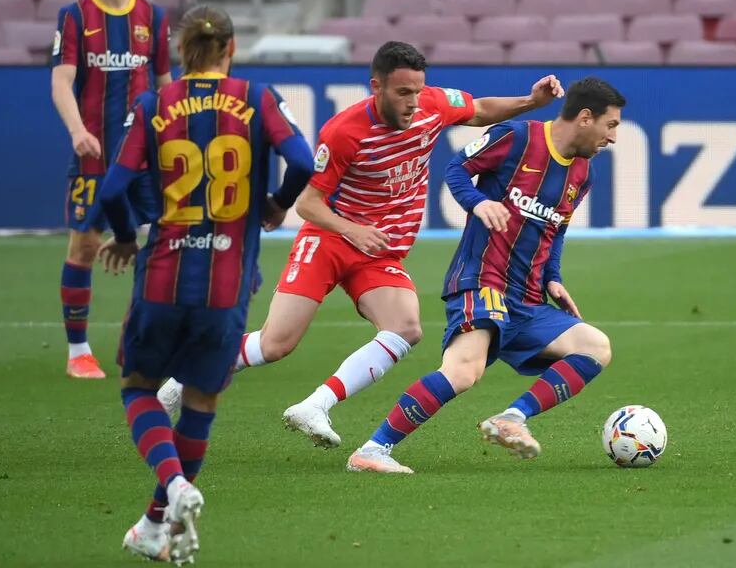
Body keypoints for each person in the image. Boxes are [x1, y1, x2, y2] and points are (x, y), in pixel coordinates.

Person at [158, 41, 565, 449]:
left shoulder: (433, 105)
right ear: (377, 87)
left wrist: (531, 101)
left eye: (417, 91)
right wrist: (353, 230)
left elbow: (479, 110)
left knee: (406, 327)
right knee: (276, 343)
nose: (412, 102)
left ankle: (316, 405)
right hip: (330, 240)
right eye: (402, 92)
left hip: (378, 251)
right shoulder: (343, 132)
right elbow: (310, 205)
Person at [97, 5, 313, 561]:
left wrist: (124, 236)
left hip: (163, 276)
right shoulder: (258, 97)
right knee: (199, 402)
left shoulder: (152, 104)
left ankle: (170, 489)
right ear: (231, 49)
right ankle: (154, 523)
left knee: (139, 386)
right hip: (228, 284)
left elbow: (112, 189)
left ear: (179, 51)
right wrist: (276, 205)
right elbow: (304, 162)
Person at [345, 76, 626, 474]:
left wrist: (553, 277)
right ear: (585, 118)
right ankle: (372, 451)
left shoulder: (582, 173)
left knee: (595, 346)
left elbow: (556, 228)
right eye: (610, 125)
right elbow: (456, 169)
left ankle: (512, 417)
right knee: (464, 370)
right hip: (482, 281)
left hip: (528, 298)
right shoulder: (515, 136)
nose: (612, 137)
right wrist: (478, 203)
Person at [51, 0, 172, 379]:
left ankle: (146, 338)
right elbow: (61, 81)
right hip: (93, 155)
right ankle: (78, 351)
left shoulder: (153, 18)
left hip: (146, 159)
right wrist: (78, 130)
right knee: (83, 245)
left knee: (163, 244)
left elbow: (163, 86)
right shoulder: (75, 16)